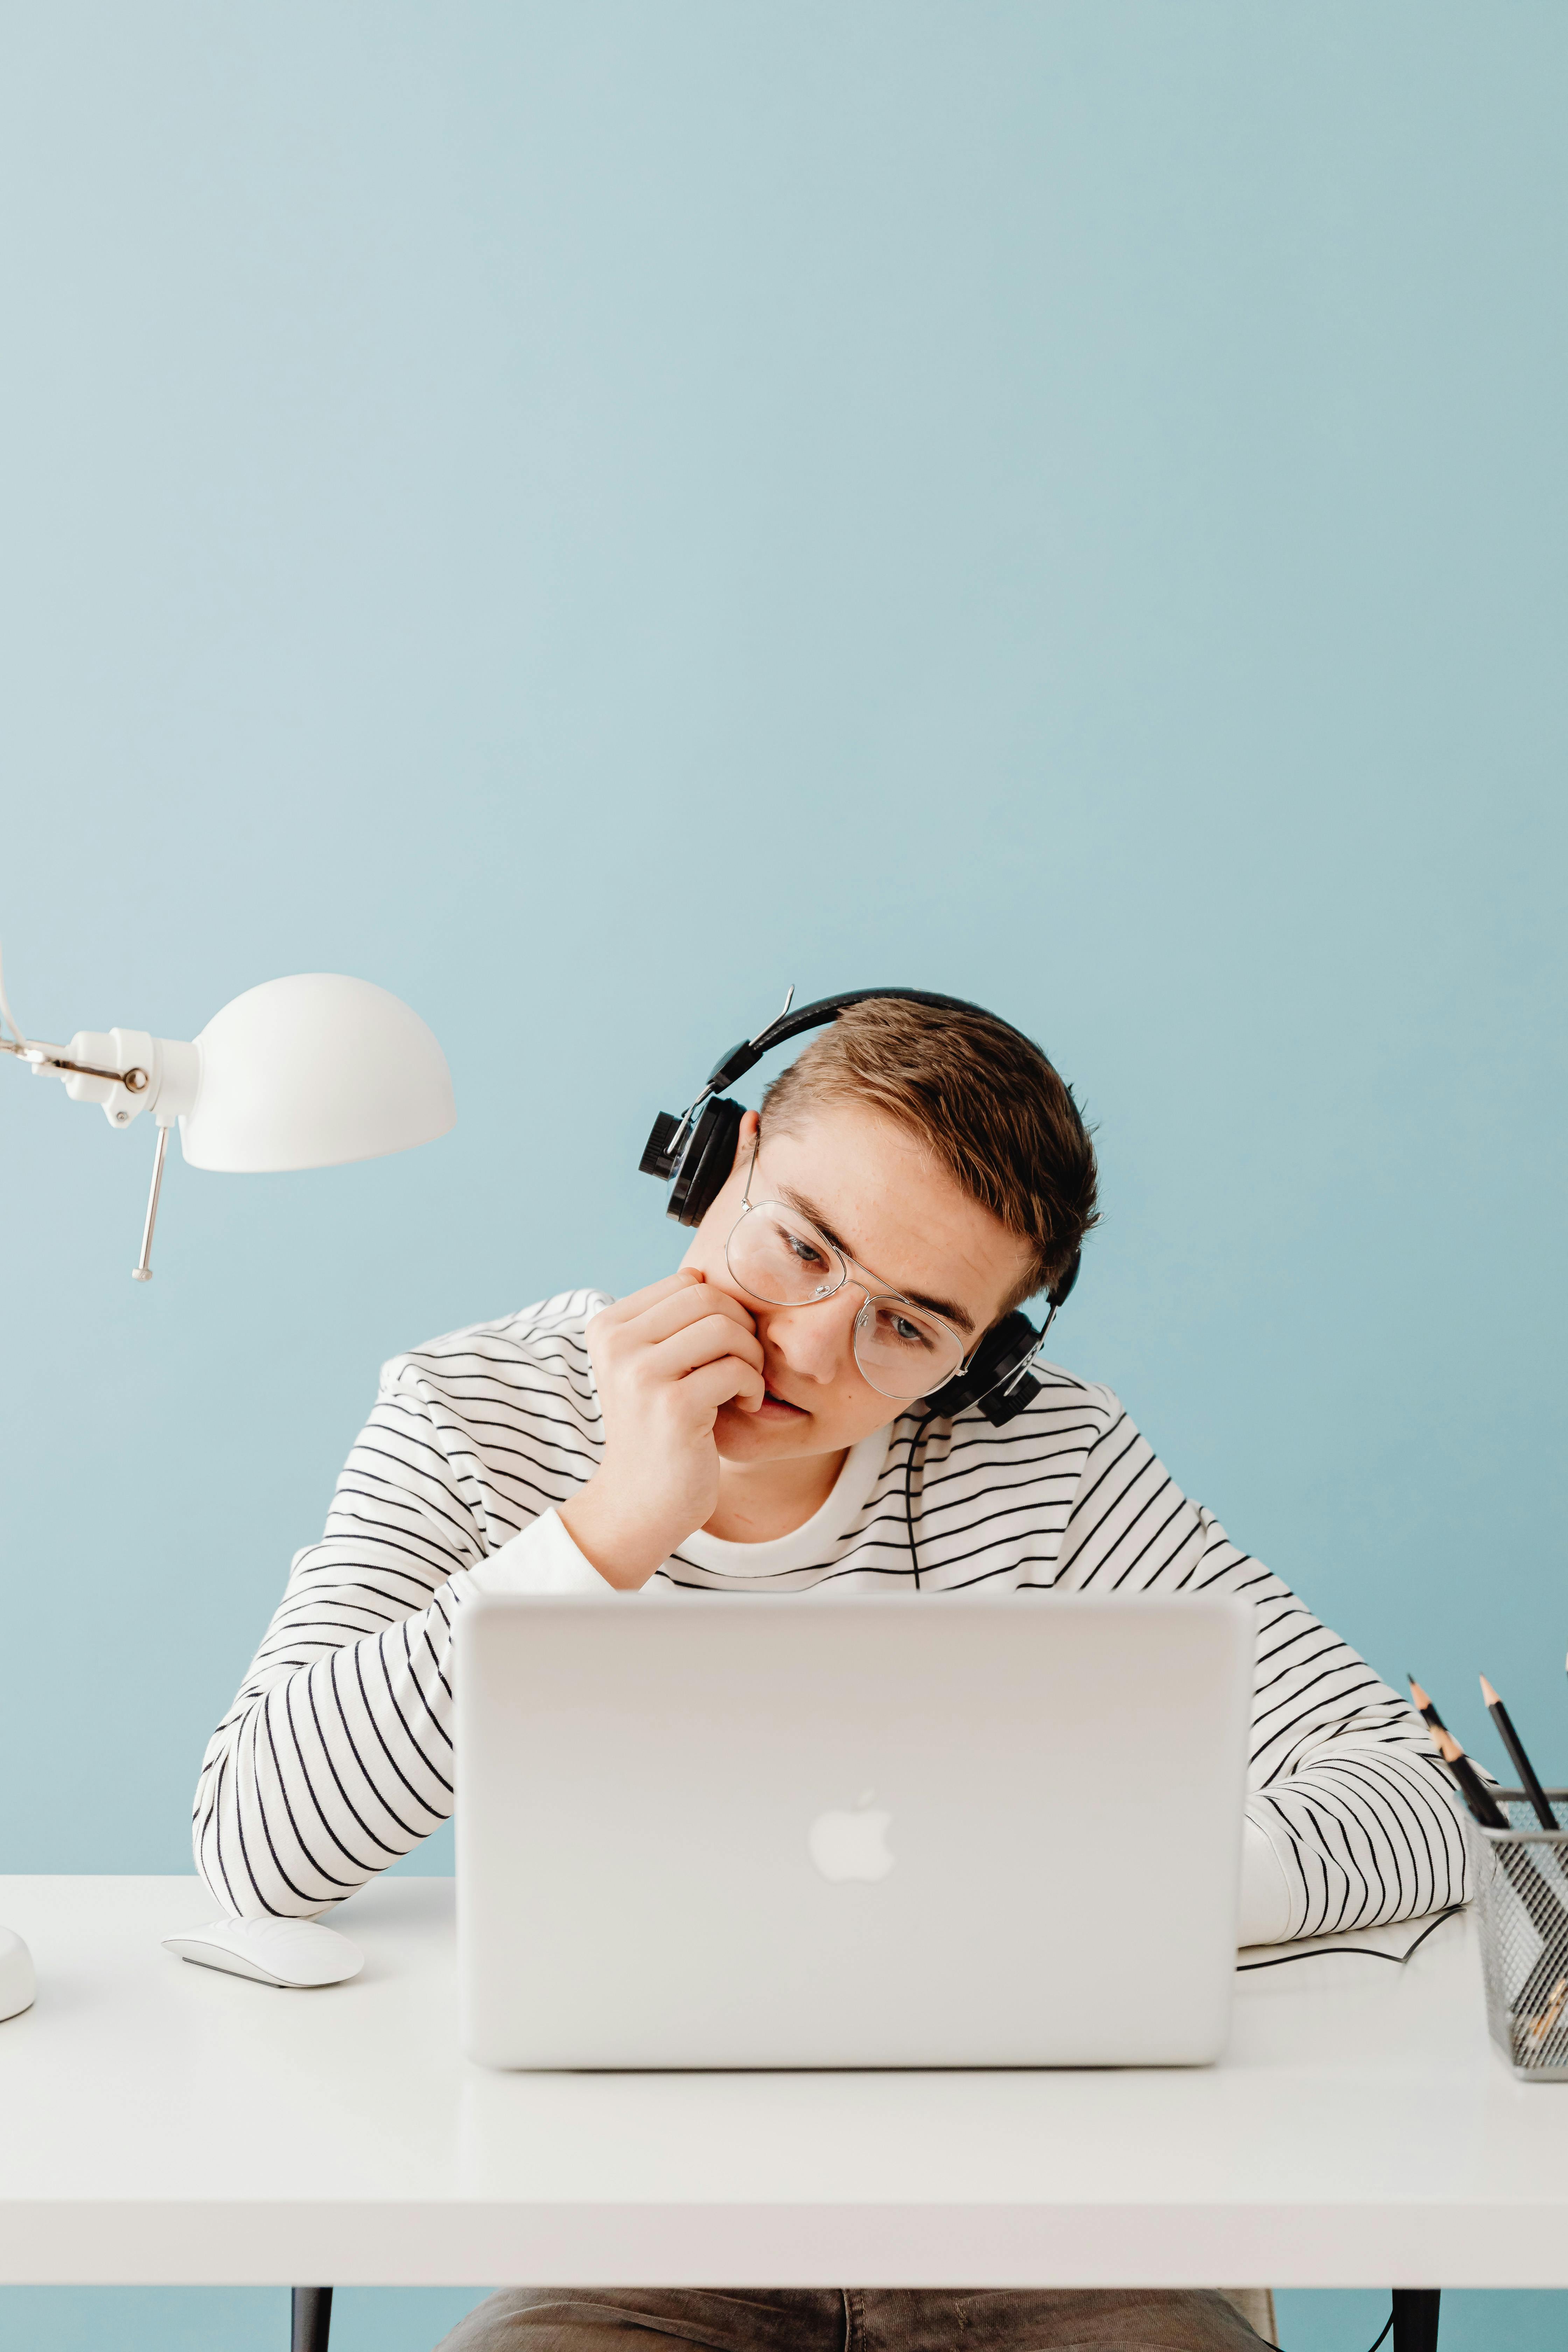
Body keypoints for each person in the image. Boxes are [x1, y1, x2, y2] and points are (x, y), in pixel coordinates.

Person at [195, 995, 1469, 2352]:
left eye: (910, 1330)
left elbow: (1418, 1795)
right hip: (635, 2243)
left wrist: (1128, 1901)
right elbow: (259, 1848)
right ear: (716, 1164)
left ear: (984, 1366)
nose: (810, 1346)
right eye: (800, 1246)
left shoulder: (1049, 1466)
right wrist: (605, 1531)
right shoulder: (475, 1414)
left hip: (1058, 2237)